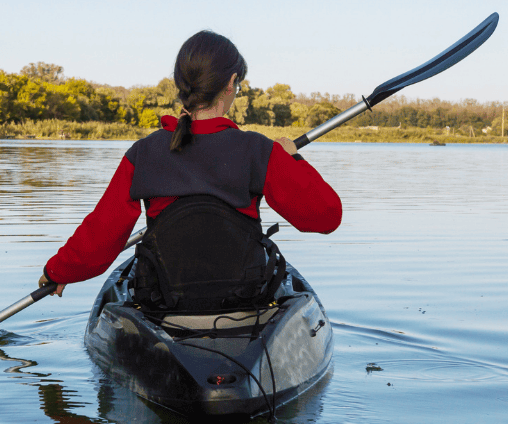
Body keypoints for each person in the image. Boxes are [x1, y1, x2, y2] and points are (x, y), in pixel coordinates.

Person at [38, 30, 341, 311]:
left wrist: (58, 271)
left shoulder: (143, 154)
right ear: (231, 82)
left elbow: (102, 234)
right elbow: (326, 216)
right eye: (238, 85)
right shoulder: (259, 151)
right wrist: (294, 160)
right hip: (242, 299)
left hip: (165, 301)